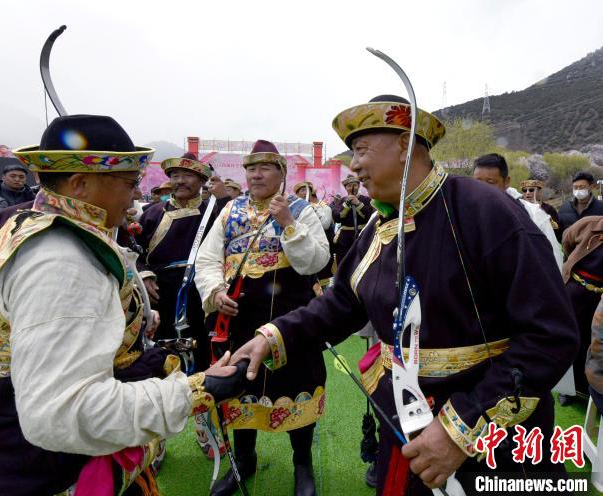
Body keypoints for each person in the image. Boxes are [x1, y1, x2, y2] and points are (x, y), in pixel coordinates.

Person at [231, 95, 578, 495]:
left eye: (361, 150)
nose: (354, 164)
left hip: (493, 435)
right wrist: (273, 335)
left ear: (404, 143)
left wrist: (459, 429)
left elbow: (550, 336)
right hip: (403, 420)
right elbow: (341, 303)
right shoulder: (380, 226)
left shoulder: (486, 211)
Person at [0, 115, 245, 496]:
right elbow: (63, 412)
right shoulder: (60, 259)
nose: (135, 196)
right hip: (31, 468)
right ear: (81, 184)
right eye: (129, 183)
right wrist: (198, 390)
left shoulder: (30, 224)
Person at [195, 139, 330, 496]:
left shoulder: (301, 209)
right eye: (250, 168)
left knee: (297, 382)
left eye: (264, 168)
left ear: (281, 174)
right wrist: (215, 292)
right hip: (240, 318)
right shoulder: (230, 210)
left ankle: (301, 463)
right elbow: (208, 259)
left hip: (291, 317)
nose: (255, 174)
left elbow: (316, 262)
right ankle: (244, 460)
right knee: (240, 386)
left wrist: (287, 223)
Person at [135, 152, 230, 372]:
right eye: (175, 175)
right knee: (162, 355)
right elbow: (133, 251)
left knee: (203, 351)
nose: (179, 181)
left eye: (187, 175)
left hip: (201, 292)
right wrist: (144, 274)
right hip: (161, 293)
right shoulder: (152, 214)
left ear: (202, 181)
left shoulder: (215, 211)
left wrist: (225, 198)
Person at [473, 153, 562, 270]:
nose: (482, 188)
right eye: (477, 182)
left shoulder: (534, 215)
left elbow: (553, 261)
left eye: (490, 182)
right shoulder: (463, 214)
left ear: (506, 181)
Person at [561, 215, 603, 405]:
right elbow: (567, 241)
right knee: (569, 339)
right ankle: (565, 389)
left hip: (600, 300)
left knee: (592, 343)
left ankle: (587, 389)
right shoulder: (589, 224)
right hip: (576, 291)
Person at [294, 180, 334, 288]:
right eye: (301, 191)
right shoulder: (291, 209)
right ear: (296, 194)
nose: (304, 193)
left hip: (318, 245)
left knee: (322, 273)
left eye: (306, 190)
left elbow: (325, 225)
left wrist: (313, 211)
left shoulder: (322, 207)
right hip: (300, 246)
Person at [332, 174, 372, 265]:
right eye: (349, 186)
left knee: (362, 262)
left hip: (363, 235)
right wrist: (346, 205)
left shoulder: (366, 200)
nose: (352, 187)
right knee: (344, 262)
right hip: (344, 238)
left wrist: (358, 203)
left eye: (355, 185)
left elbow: (369, 216)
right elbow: (336, 217)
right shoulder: (341, 201)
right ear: (346, 188)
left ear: (358, 186)